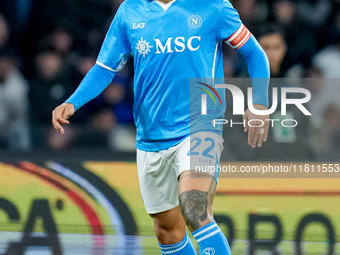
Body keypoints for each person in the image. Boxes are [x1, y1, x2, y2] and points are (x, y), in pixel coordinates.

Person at [52, 0, 270, 254]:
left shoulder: (213, 6)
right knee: (168, 232)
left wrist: (260, 103)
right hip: (150, 136)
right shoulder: (129, 11)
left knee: (193, 206)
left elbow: (254, 53)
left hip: (200, 127)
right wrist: (73, 102)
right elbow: (104, 68)